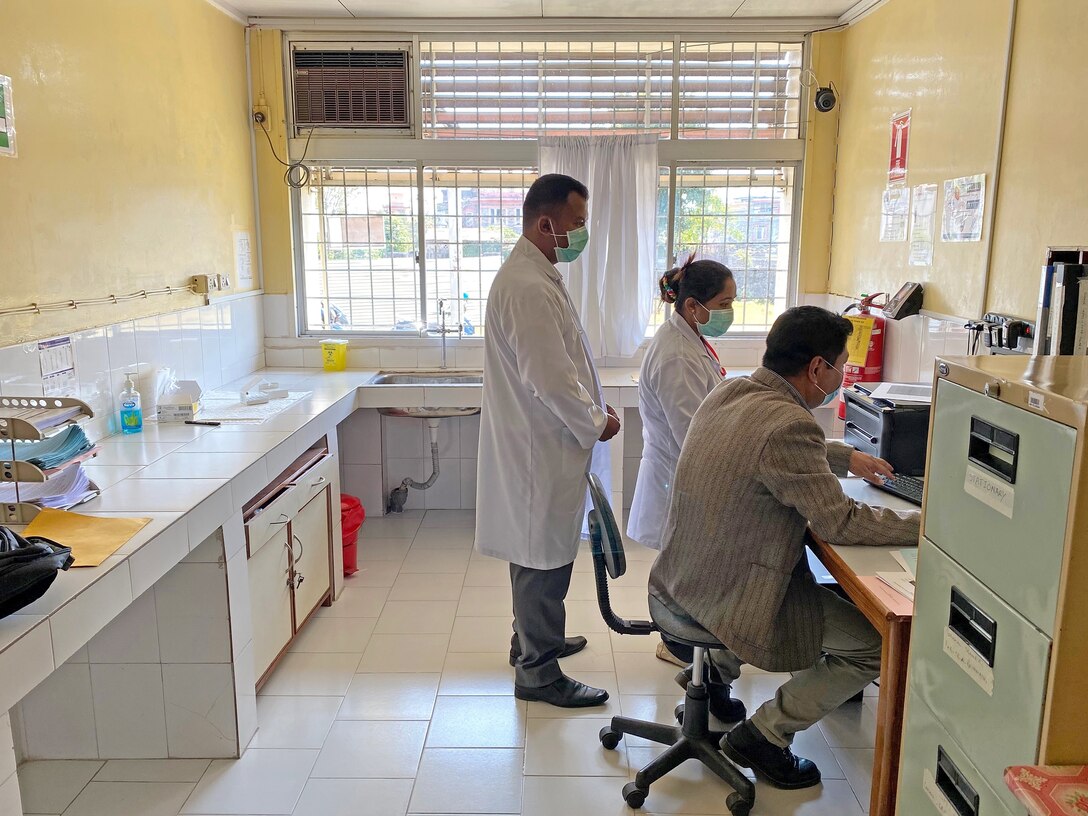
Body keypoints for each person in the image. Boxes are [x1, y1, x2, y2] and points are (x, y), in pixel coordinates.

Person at [649, 305, 921, 789]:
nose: (841, 375)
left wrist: (844, 456)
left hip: (684, 580)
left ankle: (711, 682)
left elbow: (769, 449)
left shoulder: (732, 390)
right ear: (818, 368)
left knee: (825, 598)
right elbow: (840, 521)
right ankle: (766, 735)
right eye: (840, 364)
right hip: (730, 594)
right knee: (874, 647)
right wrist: (923, 526)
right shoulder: (788, 425)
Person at [475, 173, 621, 709]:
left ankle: (533, 641)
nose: (581, 234)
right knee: (542, 558)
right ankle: (538, 671)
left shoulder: (536, 277)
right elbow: (549, 377)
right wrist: (595, 421)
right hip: (540, 451)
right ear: (545, 223)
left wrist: (589, 412)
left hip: (543, 445)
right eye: (576, 224)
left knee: (538, 550)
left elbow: (561, 366)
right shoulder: (528, 286)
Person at [626, 256, 744, 715]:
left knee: (685, 568)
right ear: (693, 306)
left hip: (681, 473)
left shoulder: (688, 338)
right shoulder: (675, 355)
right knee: (687, 570)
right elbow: (691, 432)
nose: (729, 312)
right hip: (681, 475)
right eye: (724, 303)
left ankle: (689, 649)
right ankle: (681, 647)